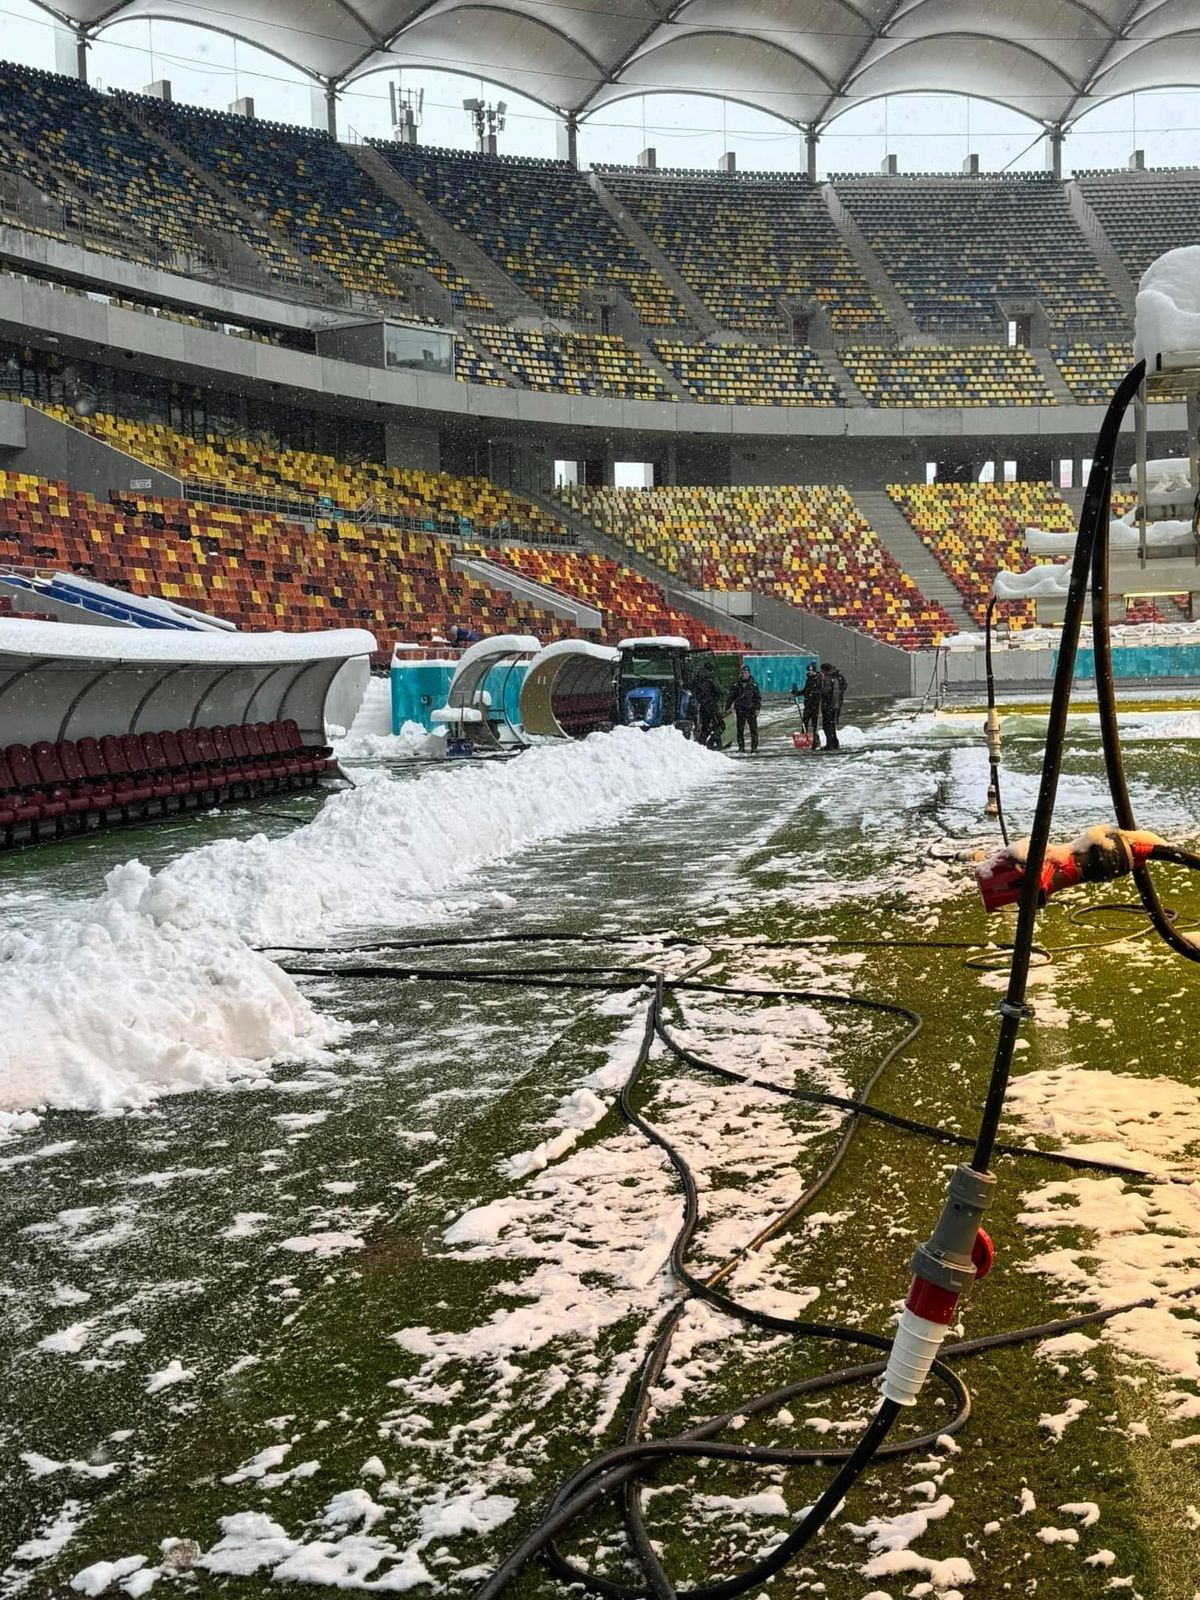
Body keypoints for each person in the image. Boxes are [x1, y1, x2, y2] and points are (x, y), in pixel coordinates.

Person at [726, 663, 761, 753]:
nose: (744, 674)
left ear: (749, 673)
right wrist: (728, 708)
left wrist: (757, 708)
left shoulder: (753, 685)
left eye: (746, 673)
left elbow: (758, 698)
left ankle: (754, 747)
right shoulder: (736, 685)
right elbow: (730, 697)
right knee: (740, 730)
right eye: (743, 673)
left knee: (753, 730)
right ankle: (741, 747)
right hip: (740, 710)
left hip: (751, 710)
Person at [693, 669, 724, 749]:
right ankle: (709, 743)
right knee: (720, 726)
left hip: (703, 708)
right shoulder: (710, 682)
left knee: (706, 728)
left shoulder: (697, 683)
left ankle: (702, 744)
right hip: (711, 707)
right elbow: (718, 693)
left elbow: (696, 695)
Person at [819, 661, 845, 751]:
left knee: (827, 725)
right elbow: (844, 686)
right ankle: (834, 743)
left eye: (821, 671)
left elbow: (825, 691)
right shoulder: (838, 676)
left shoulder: (828, 678)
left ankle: (829, 744)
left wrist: (819, 693)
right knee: (832, 724)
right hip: (836, 704)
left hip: (829, 705)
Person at [801, 662, 823, 751]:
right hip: (808, 704)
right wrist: (797, 692)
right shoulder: (809, 679)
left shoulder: (818, 679)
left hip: (815, 704)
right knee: (804, 722)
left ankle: (815, 740)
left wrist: (813, 694)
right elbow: (805, 690)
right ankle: (805, 738)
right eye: (808, 670)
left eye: (811, 670)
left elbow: (819, 691)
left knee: (815, 724)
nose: (809, 672)